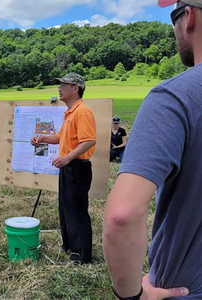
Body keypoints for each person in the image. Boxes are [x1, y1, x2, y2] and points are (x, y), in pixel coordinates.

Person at [102, 0, 202, 299]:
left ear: (189, 17)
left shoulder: (175, 98)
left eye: (173, 16)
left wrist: (133, 296)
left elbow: (122, 215)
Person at [30, 73, 96, 264]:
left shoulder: (82, 111)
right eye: (58, 85)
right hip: (69, 167)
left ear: (75, 88)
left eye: (63, 85)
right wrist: (41, 139)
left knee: (76, 210)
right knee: (66, 208)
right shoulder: (70, 113)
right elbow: (60, 137)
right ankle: (69, 246)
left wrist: (66, 157)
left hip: (77, 167)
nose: (59, 88)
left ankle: (82, 256)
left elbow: (89, 141)